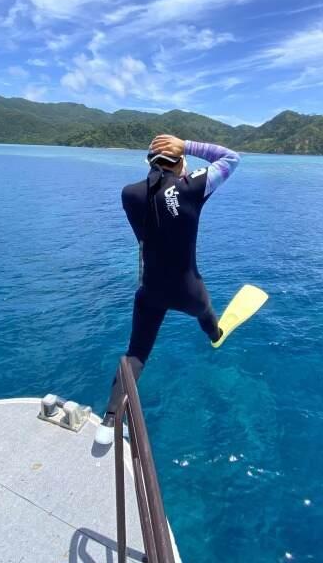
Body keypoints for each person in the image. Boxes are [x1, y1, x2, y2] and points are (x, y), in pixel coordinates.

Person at [95, 134, 240, 445]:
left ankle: (109, 421)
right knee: (207, 312)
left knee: (136, 353)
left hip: (151, 290)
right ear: (181, 162)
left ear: (149, 162)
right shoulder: (191, 188)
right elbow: (231, 158)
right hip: (189, 291)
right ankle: (215, 336)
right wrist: (187, 145)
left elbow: (157, 198)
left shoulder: (128, 194)